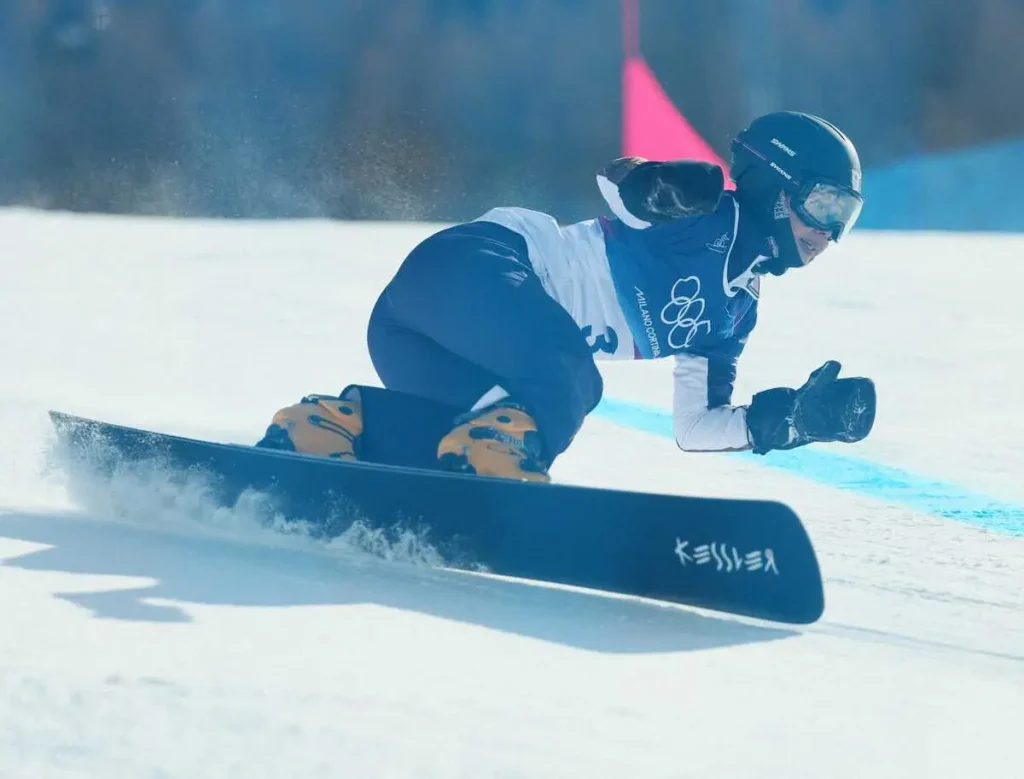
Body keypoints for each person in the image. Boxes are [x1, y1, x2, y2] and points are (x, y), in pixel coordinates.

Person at [257, 111, 876, 482]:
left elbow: (695, 427)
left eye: (844, 216)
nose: (828, 231)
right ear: (775, 187)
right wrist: (654, 186)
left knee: (490, 424)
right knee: (569, 385)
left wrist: (786, 423)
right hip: (474, 268)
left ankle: (333, 426)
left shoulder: (736, 314)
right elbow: (618, 184)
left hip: (411, 335)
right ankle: (495, 475)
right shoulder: (708, 211)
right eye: (823, 204)